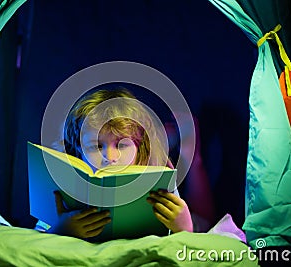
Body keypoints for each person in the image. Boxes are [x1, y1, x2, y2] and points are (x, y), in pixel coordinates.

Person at [35, 87, 193, 239]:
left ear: (140, 148)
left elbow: (182, 250)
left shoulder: (160, 180)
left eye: (122, 145)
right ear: (78, 151)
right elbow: (36, 243)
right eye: (95, 146)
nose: (110, 157)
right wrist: (60, 230)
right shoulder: (65, 186)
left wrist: (184, 227)